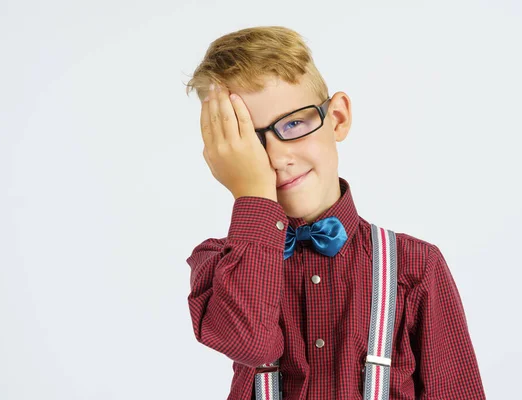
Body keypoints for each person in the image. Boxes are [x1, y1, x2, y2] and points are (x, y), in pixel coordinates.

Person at [184, 25, 485, 400]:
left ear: (338, 118)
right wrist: (253, 195)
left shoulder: (415, 267)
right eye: (251, 141)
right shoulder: (220, 263)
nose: (277, 158)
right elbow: (250, 343)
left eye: (293, 123)